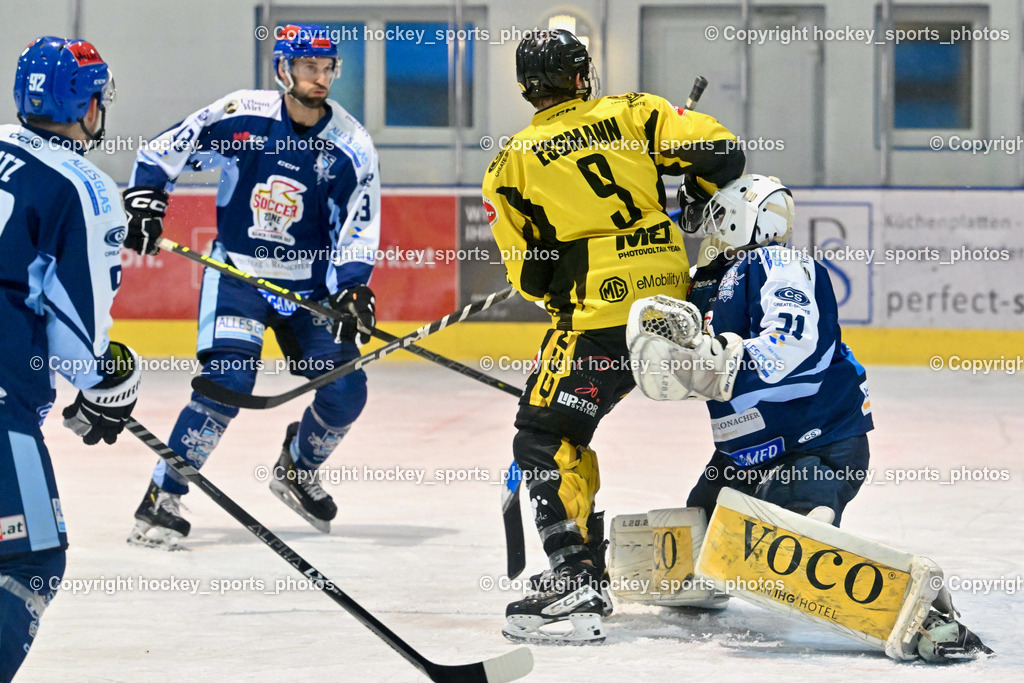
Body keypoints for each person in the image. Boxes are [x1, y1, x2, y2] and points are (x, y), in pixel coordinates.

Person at [626, 173, 991, 661]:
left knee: (786, 543)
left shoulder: (779, 262)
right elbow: (706, 367)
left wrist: (719, 361)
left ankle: (926, 617)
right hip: (745, 452)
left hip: (818, 442)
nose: (709, 229)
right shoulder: (713, 284)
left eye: (719, 217)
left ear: (742, 219)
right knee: (701, 537)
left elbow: (793, 343)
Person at [482, 29, 745, 644]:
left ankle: (576, 578)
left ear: (526, 87)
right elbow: (723, 154)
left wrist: (572, 283)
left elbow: (532, 276)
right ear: (582, 76)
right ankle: (596, 567)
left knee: (546, 434)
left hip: (599, 323)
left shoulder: (509, 163)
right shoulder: (634, 111)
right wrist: (692, 200)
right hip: (673, 308)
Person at [123, 24, 380, 548]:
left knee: (347, 391)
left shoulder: (351, 145)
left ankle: (297, 468)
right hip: (239, 273)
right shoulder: (243, 113)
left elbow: (358, 224)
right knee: (227, 383)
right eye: (310, 67)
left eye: (328, 67)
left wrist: (353, 287)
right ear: (283, 68)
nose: (321, 77)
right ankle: (162, 495)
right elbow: (168, 148)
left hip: (307, 291)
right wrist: (148, 198)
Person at [0, 36, 139, 681]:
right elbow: (82, 346)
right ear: (79, 102)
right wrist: (114, 381)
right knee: (29, 560)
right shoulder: (83, 184)